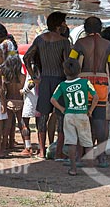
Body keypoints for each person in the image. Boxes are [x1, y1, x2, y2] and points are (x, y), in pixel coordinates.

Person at [70, 16, 110, 168]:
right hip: (102, 85)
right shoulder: (108, 45)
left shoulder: (80, 43)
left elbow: (70, 64)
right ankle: (101, 158)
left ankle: (78, 156)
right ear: (100, 28)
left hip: (83, 84)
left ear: (85, 28)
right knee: (100, 121)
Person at [23, 12, 70, 159]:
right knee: (61, 116)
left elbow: (26, 57)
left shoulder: (39, 39)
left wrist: (34, 76)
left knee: (42, 116)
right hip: (60, 81)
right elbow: (67, 63)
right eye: (63, 23)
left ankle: (42, 152)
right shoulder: (64, 42)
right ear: (58, 25)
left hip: (44, 81)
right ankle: (59, 152)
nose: (65, 26)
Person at [51, 58, 98, 176]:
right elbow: (96, 97)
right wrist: (90, 110)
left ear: (64, 71)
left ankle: (73, 169)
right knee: (87, 142)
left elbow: (53, 100)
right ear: (79, 70)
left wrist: (62, 109)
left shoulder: (62, 85)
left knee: (71, 142)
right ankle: (91, 169)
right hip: (82, 114)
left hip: (69, 115)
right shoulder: (85, 82)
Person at [1, 54, 29, 155]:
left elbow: (3, 90)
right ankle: (27, 146)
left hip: (9, 101)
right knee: (23, 125)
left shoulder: (6, 77)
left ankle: (4, 146)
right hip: (20, 102)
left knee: (7, 126)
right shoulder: (23, 76)